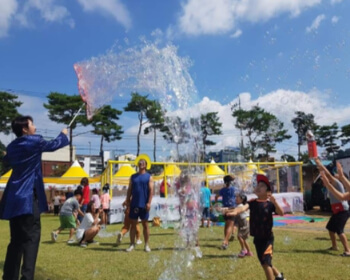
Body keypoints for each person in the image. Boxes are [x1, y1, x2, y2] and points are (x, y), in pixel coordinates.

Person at [0, 115, 69, 280]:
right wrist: (63, 134)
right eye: (32, 124)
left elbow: (6, 159)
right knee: (31, 239)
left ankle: (9, 277)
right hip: (28, 199)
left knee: (15, 241)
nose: (35, 128)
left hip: (13, 198)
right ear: (25, 129)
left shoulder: (12, 146)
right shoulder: (34, 141)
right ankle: (26, 277)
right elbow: (53, 145)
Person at [225, 174, 286, 280]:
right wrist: (234, 212)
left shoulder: (269, 204)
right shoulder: (252, 203)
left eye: (262, 185)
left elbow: (281, 213)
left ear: (268, 192)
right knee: (264, 263)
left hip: (267, 239)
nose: (258, 186)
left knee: (266, 263)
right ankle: (279, 276)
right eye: (258, 185)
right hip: (257, 239)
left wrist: (274, 202)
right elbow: (242, 208)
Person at [315, 158, 350, 256]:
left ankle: (348, 250)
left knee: (339, 230)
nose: (335, 176)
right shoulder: (331, 186)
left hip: (343, 211)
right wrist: (320, 167)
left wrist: (319, 164)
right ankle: (334, 246)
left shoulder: (337, 184)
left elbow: (328, 174)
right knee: (330, 228)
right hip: (337, 211)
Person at [125, 159, 154, 252]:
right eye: (140, 163)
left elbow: (151, 191)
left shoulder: (149, 177)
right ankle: (132, 244)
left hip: (144, 205)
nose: (141, 164)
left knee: (145, 225)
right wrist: (127, 200)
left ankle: (146, 245)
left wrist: (149, 202)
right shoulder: (133, 177)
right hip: (134, 204)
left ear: (145, 165)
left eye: (143, 163)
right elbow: (129, 190)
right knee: (133, 225)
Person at [215, 174, 237, 249]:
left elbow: (216, 196)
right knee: (230, 225)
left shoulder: (223, 189)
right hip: (232, 208)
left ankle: (226, 242)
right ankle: (225, 241)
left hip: (224, 208)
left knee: (226, 225)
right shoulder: (234, 189)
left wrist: (217, 204)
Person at [234, 193, 253, 258]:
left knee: (239, 236)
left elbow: (234, 211)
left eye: (237, 197)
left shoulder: (240, 206)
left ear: (242, 200)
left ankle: (243, 250)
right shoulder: (241, 205)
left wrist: (227, 211)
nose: (236, 198)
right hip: (245, 222)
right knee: (244, 238)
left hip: (244, 222)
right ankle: (249, 252)